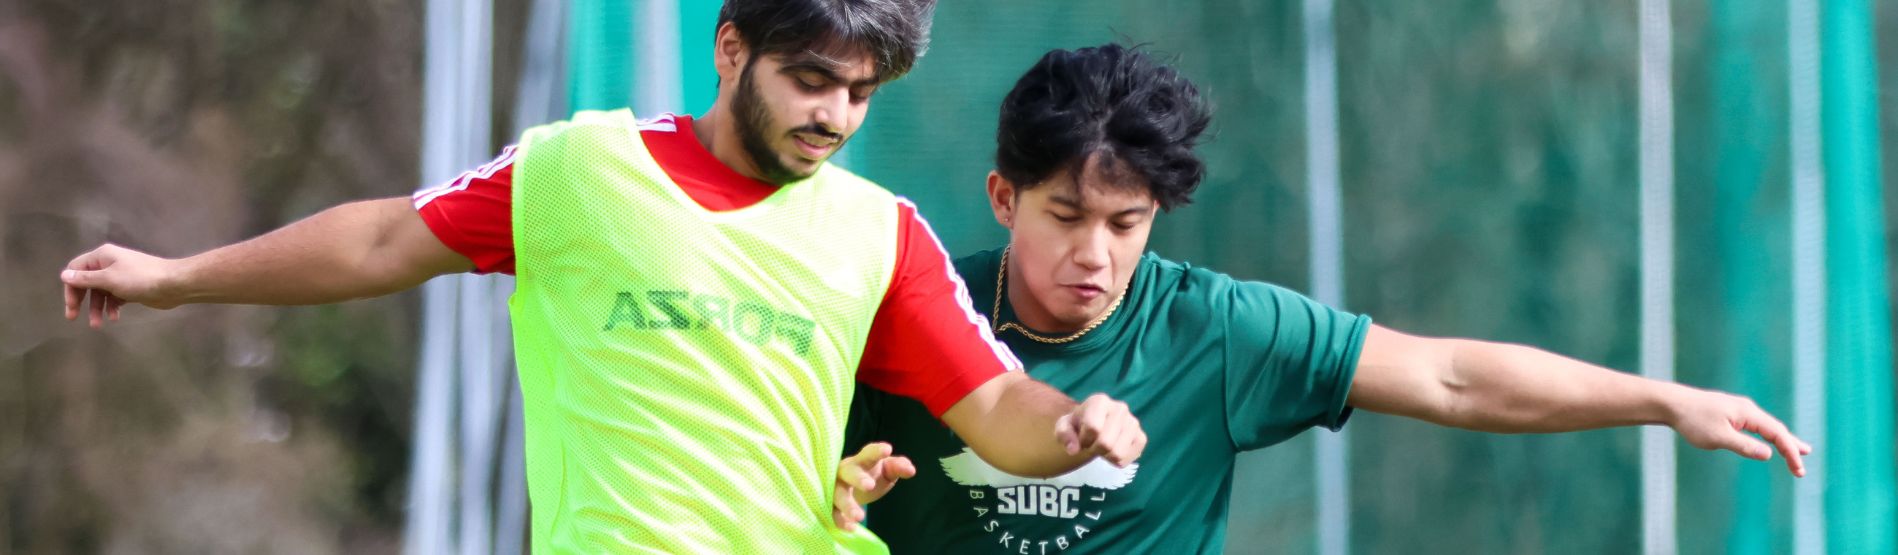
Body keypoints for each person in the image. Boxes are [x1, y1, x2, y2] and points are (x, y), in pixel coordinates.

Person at [55, 3, 1148, 553]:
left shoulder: (877, 230)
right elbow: (386, 240)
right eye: (811, 79)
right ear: (730, 51)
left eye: (860, 93)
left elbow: (994, 398)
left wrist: (1071, 427)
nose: (834, 115)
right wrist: (176, 276)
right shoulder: (581, 168)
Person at [832, 43, 1812, 554]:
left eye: (1125, 223)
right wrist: (831, 497)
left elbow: (1449, 378)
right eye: (1064, 214)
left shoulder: (1211, 329)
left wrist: (1661, 399)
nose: (1093, 252)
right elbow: (794, 467)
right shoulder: (911, 302)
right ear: (1003, 197)